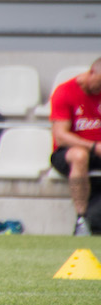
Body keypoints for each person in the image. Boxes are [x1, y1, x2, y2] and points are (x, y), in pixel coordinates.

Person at [49, 57, 101, 236]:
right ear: (92, 73)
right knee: (80, 155)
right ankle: (82, 218)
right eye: (99, 84)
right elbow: (61, 136)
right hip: (67, 153)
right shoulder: (65, 91)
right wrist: (94, 146)